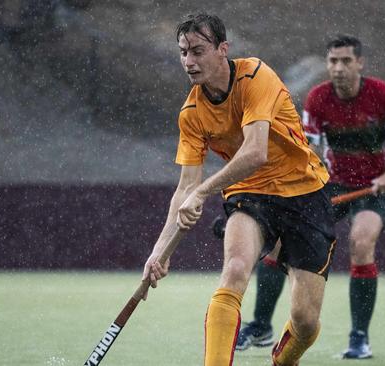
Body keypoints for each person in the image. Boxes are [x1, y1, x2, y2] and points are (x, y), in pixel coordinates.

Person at [142, 13, 337, 366]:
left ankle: (284, 359)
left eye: (198, 51)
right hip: (249, 193)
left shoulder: (254, 76)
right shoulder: (191, 113)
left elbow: (255, 152)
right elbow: (185, 187)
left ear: (222, 49)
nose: (189, 61)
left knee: (306, 322)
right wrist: (160, 252)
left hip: (305, 191)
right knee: (234, 270)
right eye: (183, 52)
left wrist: (203, 193)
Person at [234, 35, 385, 359]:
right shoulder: (318, 98)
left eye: (346, 61)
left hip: (373, 186)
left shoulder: (383, 95)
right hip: (331, 185)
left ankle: (359, 338)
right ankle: (261, 325)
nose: (338, 68)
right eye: (333, 61)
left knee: (362, 242)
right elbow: (306, 147)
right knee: (279, 243)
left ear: (360, 63)